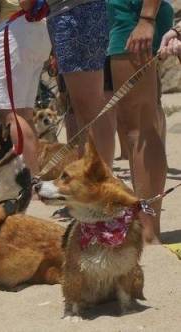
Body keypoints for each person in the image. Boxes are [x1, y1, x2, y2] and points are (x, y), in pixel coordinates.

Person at [107, 0, 173, 243]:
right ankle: (147, 227)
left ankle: (148, 231)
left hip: (133, 15)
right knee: (144, 122)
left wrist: (146, 18)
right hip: (129, 16)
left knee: (139, 128)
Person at [0, 0, 51, 175]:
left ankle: (31, 177)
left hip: (14, 30)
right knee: (24, 114)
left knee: (6, 112)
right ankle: (35, 174)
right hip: (34, 29)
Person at [46, 0, 114, 166]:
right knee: (84, 110)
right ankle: (91, 172)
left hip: (76, 11)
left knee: (90, 109)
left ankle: (100, 177)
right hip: (64, 13)